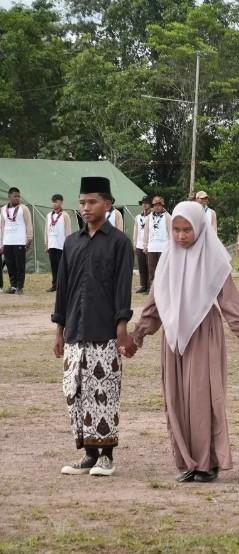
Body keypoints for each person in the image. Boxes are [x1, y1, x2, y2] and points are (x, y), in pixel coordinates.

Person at [131, 201, 239, 483]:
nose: (181, 236)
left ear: (200, 228)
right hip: (173, 337)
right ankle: (187, 460)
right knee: (175, 398)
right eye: (176, 230)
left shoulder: (214, 259)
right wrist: (138, 335)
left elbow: (230, 302)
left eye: (188, 230)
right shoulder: (167, 258)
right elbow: (155, 302)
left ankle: (208, 462)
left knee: (202, 397)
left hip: (203, 333)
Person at [53, 176, 136, 477]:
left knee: (104, 391)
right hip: (74, 329)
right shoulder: (71, 243)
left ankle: (107, 456)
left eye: (92, 202)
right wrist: (59, 330)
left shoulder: (119, 243)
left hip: (105, 330)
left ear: (108, 204)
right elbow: (63, 290)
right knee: (75, 392)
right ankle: (88, 454)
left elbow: (123, 288)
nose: (86, 208)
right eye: (82, 202)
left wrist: (122, 327)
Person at [1, 187, 33, 294]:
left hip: (19, 241)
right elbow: (1, 227)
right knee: (10, 265)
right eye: (15, 196)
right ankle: (13, 286)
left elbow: (28, 224)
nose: (17, 198)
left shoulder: (23, 208)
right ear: (9, 197)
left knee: (20, 265)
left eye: (19, 196)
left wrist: (29, 238)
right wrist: (1, 243)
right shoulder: (3, 209)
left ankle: (20, 287)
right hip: (7, 241)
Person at [45, 194, 72, 292]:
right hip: (52, 244)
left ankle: (63, 285)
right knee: (53, 266)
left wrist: (68, 244)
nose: (54, 204)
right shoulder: (49, 215)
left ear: (61, 202)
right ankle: (54, 285)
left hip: (61, 245)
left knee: (62, 267)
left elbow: (68, 231)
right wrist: (46, 244)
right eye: (53, 202)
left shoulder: (65, 215)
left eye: (56, 202)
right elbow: (46, 230)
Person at [145, 196, 171, 285]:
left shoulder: (168, 217)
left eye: (159, 205)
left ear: (162, 205)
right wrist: (145, 245)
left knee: (163, 269)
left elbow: (171, 232)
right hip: (152, 247)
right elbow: (146, 232)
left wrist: (171, 247)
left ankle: (163, 287)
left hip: (164, 247)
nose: (157, 207)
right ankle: (153, 288)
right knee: (151, 269)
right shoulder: (149, 217)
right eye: (155, 205)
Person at [133, 195, 152, 294]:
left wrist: (149, 245)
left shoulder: (152, 217)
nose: (145, 205)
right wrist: (135, 244)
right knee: (141, 267)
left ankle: (149, 287)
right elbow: (136, 231)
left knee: (149, 266)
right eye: (143, 203)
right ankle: (143, 285)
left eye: (147, 203)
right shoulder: (138, 217)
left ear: (150, 205)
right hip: (139, 245)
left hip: (149, 245)